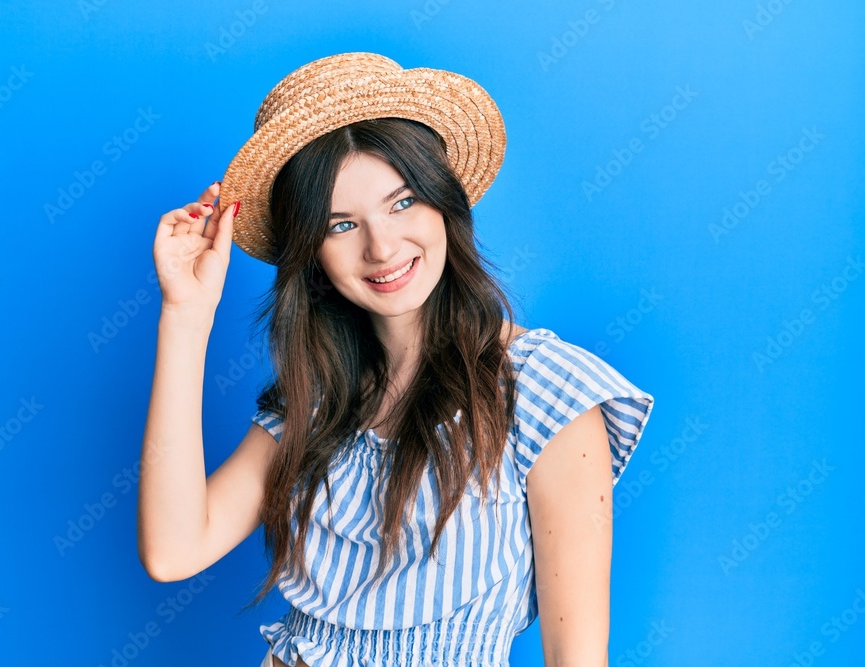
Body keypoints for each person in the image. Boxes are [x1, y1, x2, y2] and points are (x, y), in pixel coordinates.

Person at [136, 52, 655, 667]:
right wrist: (186, 314)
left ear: (444, 202)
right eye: (340, 224)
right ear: (312, 254)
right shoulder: (319, 397)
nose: (381, 247)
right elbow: (173, 549)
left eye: (402, 202)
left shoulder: (544, 389)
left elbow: (577, 658)